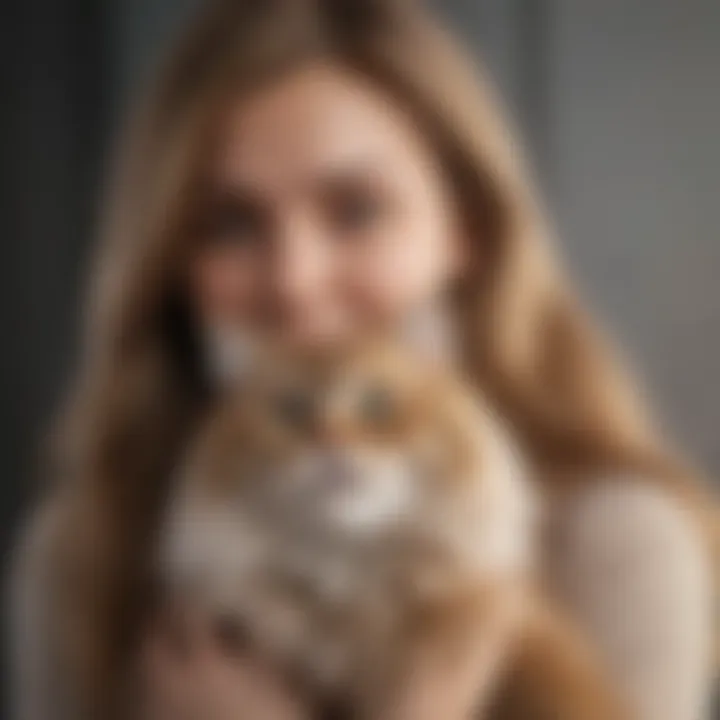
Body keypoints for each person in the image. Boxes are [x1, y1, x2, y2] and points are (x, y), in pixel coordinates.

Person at [10, 1, 716, 719]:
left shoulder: (617, 549)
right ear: (172, 262)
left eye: (355, 210)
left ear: (463, 227)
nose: (294, 280)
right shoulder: (75, 560)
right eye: (230, 224)